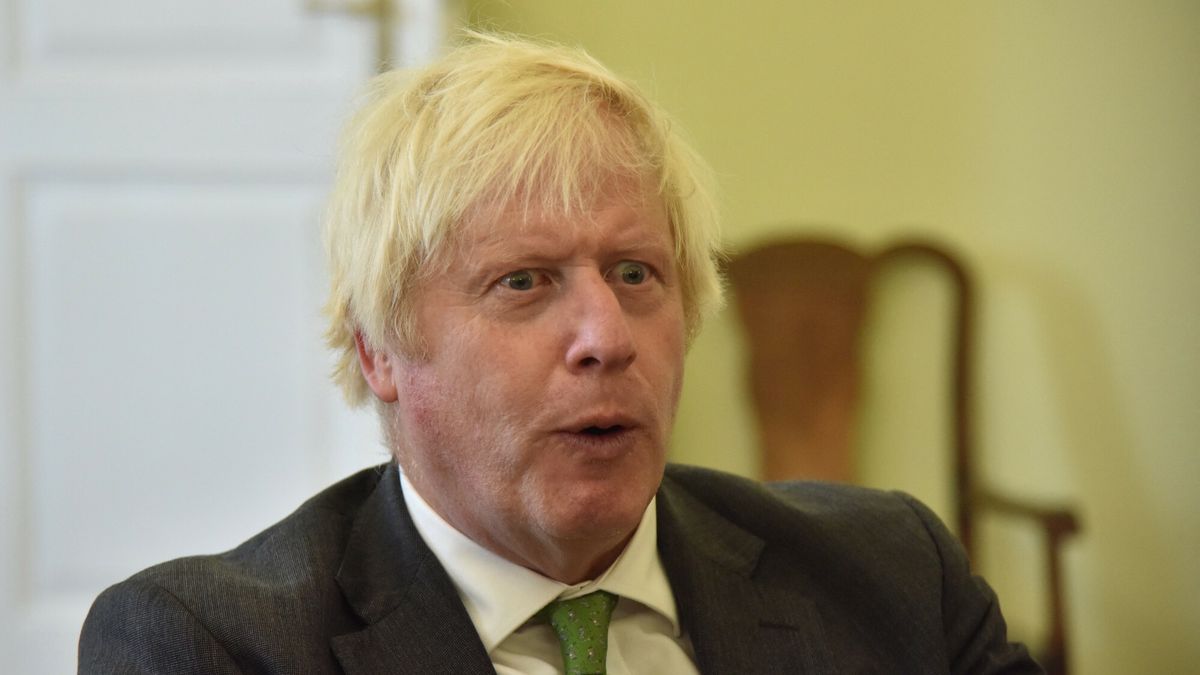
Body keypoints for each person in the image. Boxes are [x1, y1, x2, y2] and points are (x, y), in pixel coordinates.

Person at [79, 32, 1041, 674]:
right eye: (524, 282)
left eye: (635, 274)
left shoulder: (895, 580)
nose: (608, 339)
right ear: (380, 352)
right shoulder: (208, 645)